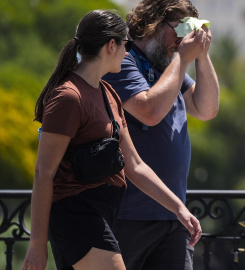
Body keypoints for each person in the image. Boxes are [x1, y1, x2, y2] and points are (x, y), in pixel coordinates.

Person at [22, 10, 201, 270]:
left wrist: (179, 209)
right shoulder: (68, 97)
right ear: (111, 45)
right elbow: (43, 173)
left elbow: (135, 165)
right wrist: (37, 245)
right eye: (126, 45)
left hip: (104, 213)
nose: (128, 53)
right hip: (76, 214)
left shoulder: (109, 94)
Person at [102, 0, 219, 269]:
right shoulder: (122, 62)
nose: (181, 40)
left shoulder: (168, 68)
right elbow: (149, 112)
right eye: (179, 29)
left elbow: (207, 109)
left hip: (174, 215)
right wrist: (183, 57)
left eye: (188, 31)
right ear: (152, 23)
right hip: (128, 215)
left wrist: (201, 54)